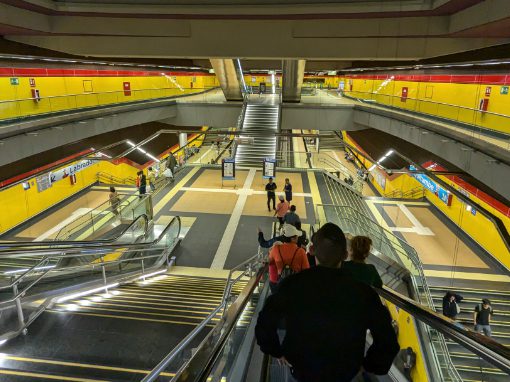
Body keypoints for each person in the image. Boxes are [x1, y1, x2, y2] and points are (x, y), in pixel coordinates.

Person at [256, 223, 399, 382]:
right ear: (345, 255)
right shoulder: (364, 293)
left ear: (311, 251)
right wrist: (368, 365)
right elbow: (388, 342)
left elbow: (264, 323)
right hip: (345, 373)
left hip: (302, 370)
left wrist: (277, 351)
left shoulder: (292, 285)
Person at [267, 224, 309, 293]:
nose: (298, 237)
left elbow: (270, 262)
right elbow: (306, 271)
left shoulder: (276, 249)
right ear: (292, 238)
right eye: (296, 236)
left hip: (279, 284)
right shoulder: (301, 251)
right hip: (295, 286)